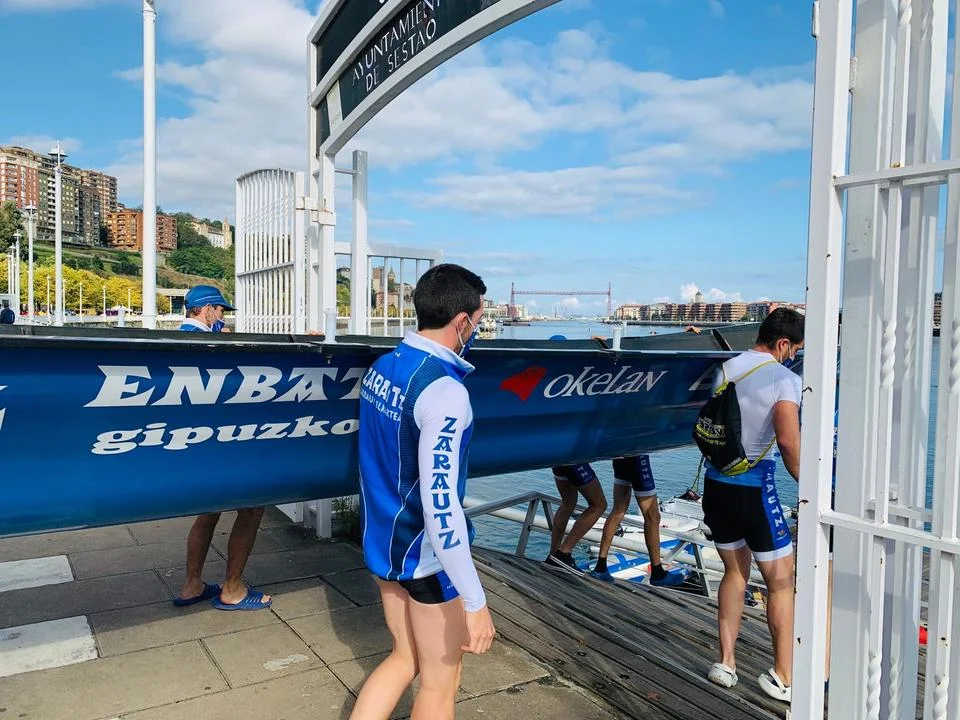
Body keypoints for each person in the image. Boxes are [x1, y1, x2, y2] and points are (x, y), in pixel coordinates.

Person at [351, 264, 496, 720]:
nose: (478, 330)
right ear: (462, 321)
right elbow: (441, 505)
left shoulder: (383, 367)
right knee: (439, 684)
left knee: (404, 657)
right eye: (479, 320)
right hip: (424, 555)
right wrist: (475, 601)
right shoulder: (445, 391)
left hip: (381, 540)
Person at [700, 307, 804, 703]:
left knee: (734, 572)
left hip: (716, 485)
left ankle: (726, 662)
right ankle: (782, 676)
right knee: (781, 581)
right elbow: (788, 441)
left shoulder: (726, 369)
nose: (794, 356)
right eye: (795, 349)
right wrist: (811, 489)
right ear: (782, 343)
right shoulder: (784, 379)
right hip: (755, 489)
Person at [172, 285, 271, 611]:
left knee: (209, 511)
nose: (223, 317)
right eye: (221, 310)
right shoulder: (210, 344)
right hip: (221, 442)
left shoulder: (178, 339)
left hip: (193, 443)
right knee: (252, 508)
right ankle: (233, 589)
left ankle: (192, 585)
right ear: (207, 310)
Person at [588, 455, 687, 587]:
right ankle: (657, 572)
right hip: (638, 459)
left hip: (620, 456)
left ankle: (601, 566)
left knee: (618, 511)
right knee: (653, 517)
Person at [542, 464, 607, 576]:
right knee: (599, 505)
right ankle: (563, 553)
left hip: (558, 461)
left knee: (568, 502)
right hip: (576, 462)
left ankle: (553, 556)